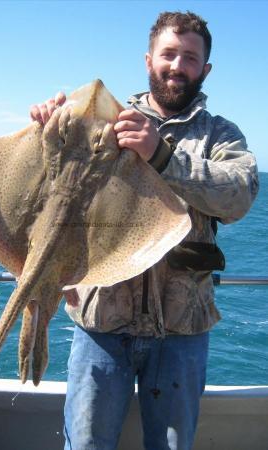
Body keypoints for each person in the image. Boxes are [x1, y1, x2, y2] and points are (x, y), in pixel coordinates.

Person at [30, 11, 258, 450]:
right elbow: (51, 193)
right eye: (168, 54)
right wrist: (49, 131)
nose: (177, 65)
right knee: (87, 444)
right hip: (101, 323)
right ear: (148, 59)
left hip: (180, 331)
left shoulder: (220, 136)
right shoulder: (105, 121)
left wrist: (164, 159)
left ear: (204, 69)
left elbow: (240, 195)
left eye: (189, 57)